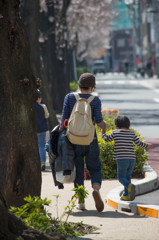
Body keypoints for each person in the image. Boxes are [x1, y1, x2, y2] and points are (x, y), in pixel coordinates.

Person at [60, 73, 107, 212]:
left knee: (78, 170)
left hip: (73, 140)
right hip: (90, 139)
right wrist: (104, 127)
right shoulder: (95, 100)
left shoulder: (69, 97)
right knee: (95, 167)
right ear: (92, 87)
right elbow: (99, 121)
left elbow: (64, 121)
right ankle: (96, 189)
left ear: (79, 85)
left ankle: (81, 202)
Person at [102, 115, 153, 201]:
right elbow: (139, 143)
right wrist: (147, 145)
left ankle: (129, 186)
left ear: (116, 126)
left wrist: (103, 133)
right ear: (128, 126)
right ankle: (126, 195)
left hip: (122, 159)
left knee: (121, 177)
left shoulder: (115, 132)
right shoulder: (131, 133)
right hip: (132, 159)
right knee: (127, 176)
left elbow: (107, 139)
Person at [35, 89, 49, 171]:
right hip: (41, 129)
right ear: (39, 98)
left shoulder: (29, 107)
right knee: (41, 145)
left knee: (34, 145)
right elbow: (47, 116)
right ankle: (42, 162)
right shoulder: (43, 106)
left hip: (32, 130)